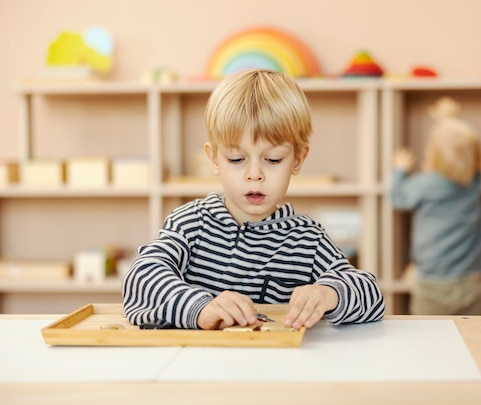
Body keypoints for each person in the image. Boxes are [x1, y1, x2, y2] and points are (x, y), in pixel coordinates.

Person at [122, 69, 385, 330]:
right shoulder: (190, 223)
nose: (255, 175)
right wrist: (199, 308)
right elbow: (141, 277)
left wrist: (331, 293)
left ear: (298, 159)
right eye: (237, 160)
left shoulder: (307, 239)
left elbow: (371, 296)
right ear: (214, 158)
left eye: (273, 160)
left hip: (276, 368)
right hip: (195, 366)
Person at [390, 96, 481, 316]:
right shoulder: (473, 182)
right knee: (470, 336)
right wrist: (448, 120)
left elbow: (398, 198)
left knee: (427, 337)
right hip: (472, 278)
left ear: (432, 155)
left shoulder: (425, 184)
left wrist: (399, 169)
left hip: (432, 281)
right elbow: (461, 149)